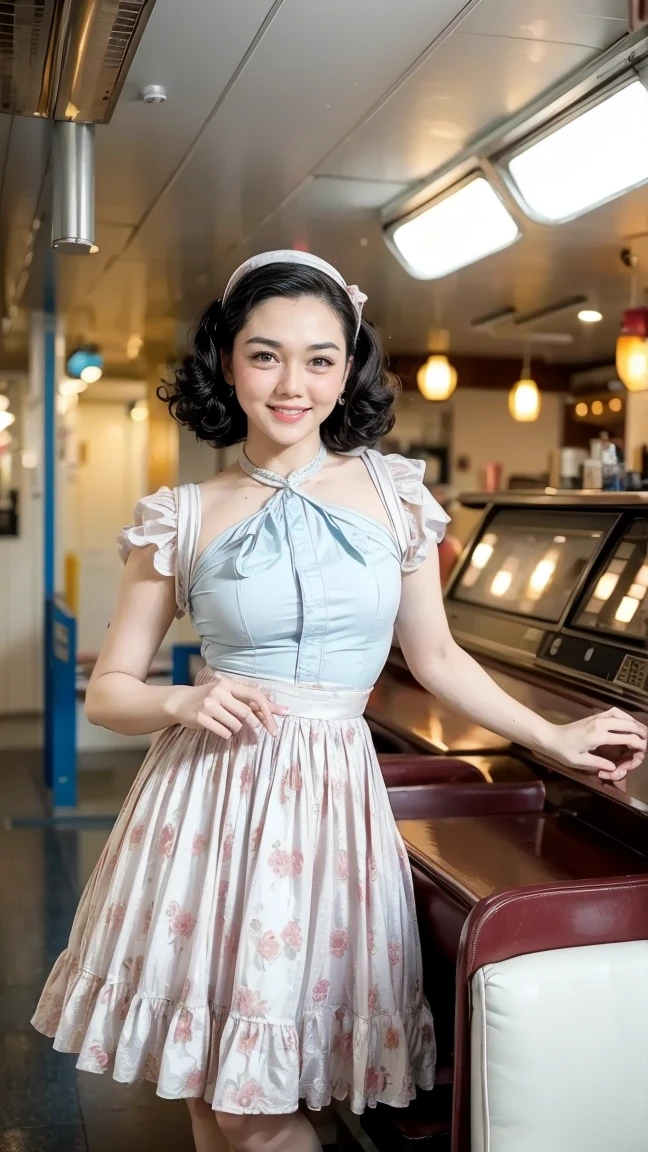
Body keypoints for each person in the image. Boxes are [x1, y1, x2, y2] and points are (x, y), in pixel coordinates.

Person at [32, 251, 647, 1152]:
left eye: (321, 358)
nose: (293, 384)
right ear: (227, 362)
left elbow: (437, 656)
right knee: (215, 1091)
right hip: (208, 810)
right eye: (266, 354)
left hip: (328, 811)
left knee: (256, 1103)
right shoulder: (183, 514)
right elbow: (110, 693)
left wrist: (553, 736)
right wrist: (182, 703)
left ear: (348, 367)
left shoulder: (398, 498)